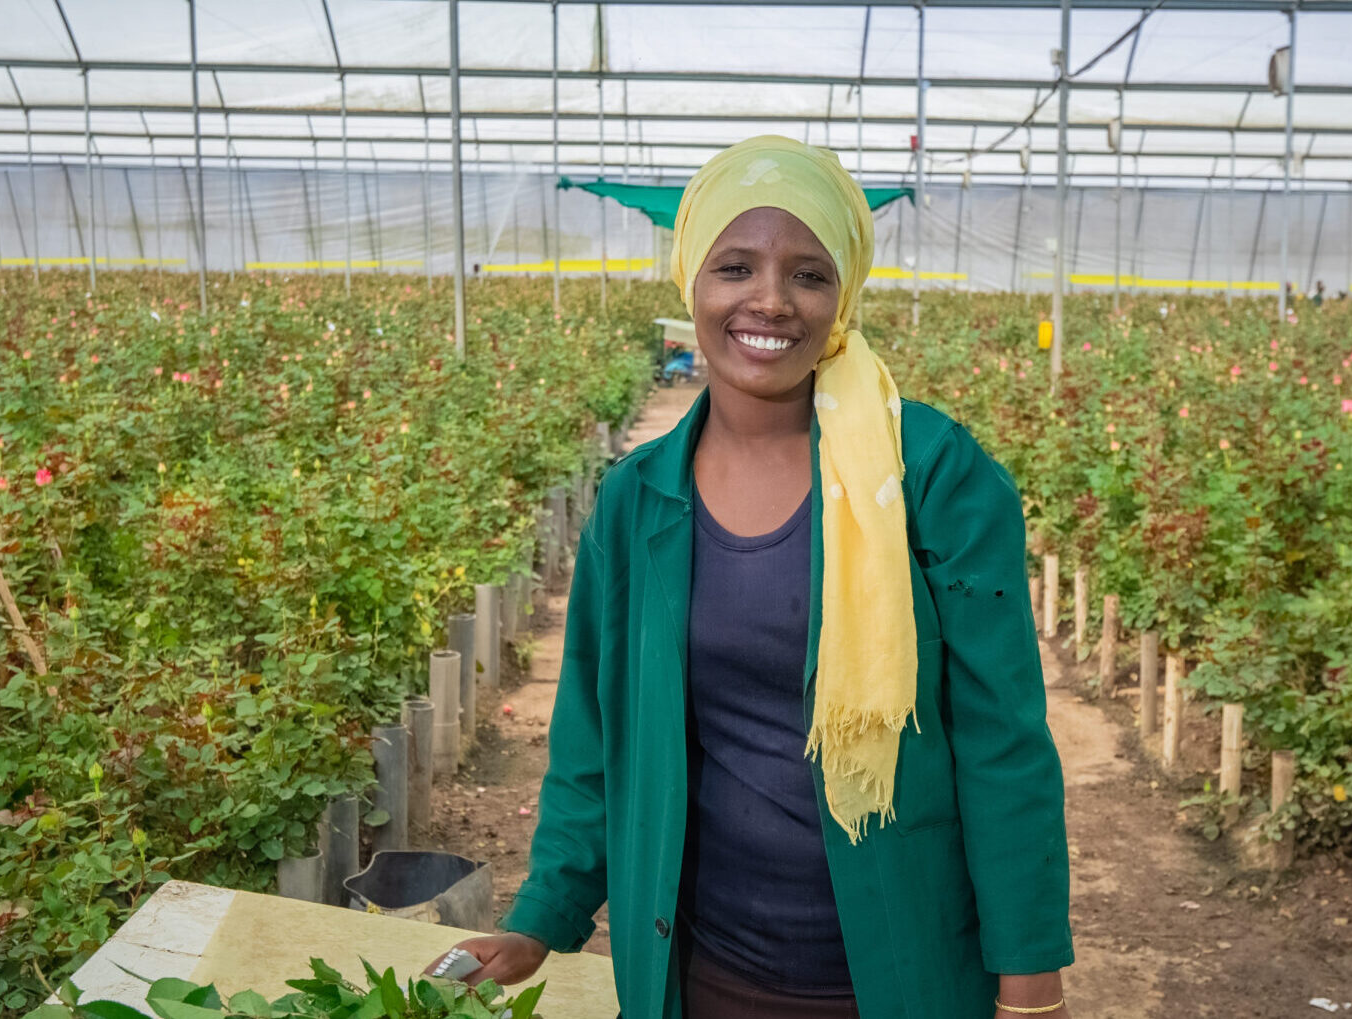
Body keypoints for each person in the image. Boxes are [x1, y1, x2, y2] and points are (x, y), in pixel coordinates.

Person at [428, 136, 1073, 1018]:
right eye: (736, 266)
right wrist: (543, 916)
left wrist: (1031, 981)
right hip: (700, 975)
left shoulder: (933, 477)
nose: (770, 299)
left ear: (843, 295)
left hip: (905, 975)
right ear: (691, 279)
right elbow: (594, 737)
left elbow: (1004, 742)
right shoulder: (635, 500)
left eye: (809, 274)